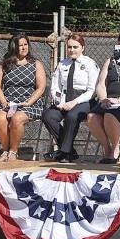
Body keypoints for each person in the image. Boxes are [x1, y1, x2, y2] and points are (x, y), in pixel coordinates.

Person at [42, 33, 99, 163]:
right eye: (69, 47)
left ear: (82, 48)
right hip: (64, 99)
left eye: (75, 47)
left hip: (84, 100)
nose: (72, 50)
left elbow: (92, 91)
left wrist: (74, 102)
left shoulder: (90, 64)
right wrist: (60, 102)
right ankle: (68, 151)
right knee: (48, 115)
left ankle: (64, 152)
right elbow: (55, 86)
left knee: (72, 116)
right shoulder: (62, 64)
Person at [0, 33, 46, 161]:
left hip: (30, 104)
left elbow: (41, 87)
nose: (23, 48)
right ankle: (5, 150)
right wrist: (4, 102)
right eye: (20, 45)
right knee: (0, 117)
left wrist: (29, 102)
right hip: (9, 103)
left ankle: (13, 151)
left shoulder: (36, 64)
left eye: (25, 45)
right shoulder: (4, 64)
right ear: (14, 47)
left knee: (17, 118)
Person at [87, 30, 120, 164]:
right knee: (92, 117)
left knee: (110, 115)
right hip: (109, 100)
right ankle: (107, 148)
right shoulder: (110, 61)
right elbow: (101, 83)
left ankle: (115, 150)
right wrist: (103, 99)